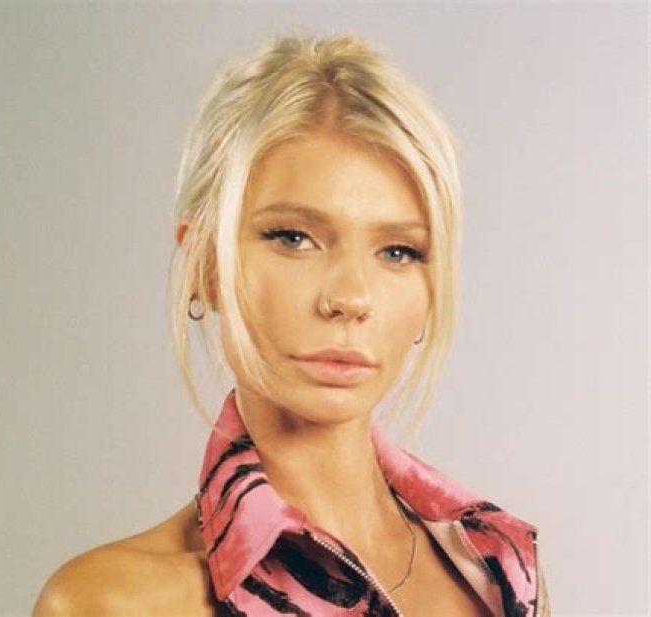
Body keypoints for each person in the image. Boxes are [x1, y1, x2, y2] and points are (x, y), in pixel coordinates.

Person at [33, 33, 549, 616]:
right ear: (205, 264)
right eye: (294, 238)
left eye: (399, 251)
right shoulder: (117, 603)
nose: (350, 298)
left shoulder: (498, 565)